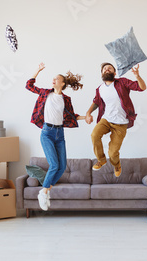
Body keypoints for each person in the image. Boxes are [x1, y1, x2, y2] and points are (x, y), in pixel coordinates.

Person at [25, 63, 85, 211]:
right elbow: (29, 85)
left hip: (60, 133)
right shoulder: (46, 93)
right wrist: (37, 70)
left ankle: (44, 191)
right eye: (53, 78)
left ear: (62, 83)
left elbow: (72, 116)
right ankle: (44, 192)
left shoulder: (66, 99)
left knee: (62, 166)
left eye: (56, 79)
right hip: (47, 132)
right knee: (54, 165)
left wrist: (86, 117)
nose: (53, 80)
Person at [85, 63, 147, 177]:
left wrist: (137, 76)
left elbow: (142, 87)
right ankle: (101, 160)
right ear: (102, 73)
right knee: (94, 135)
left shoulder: (122, 82)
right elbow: (96, 102)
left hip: (121, 123)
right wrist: (88, 112)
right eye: (104, 69)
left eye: (109, 68)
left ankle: (116, 164)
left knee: (113, 153)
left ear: (114, 73)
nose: (106, 70)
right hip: (106, 119)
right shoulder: (100, 89)